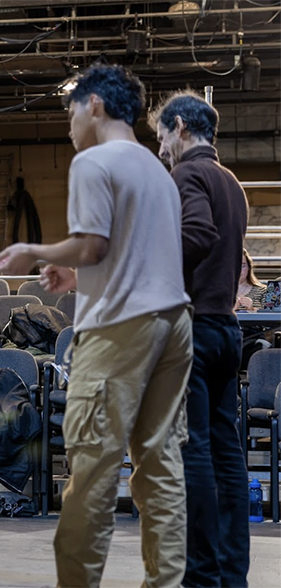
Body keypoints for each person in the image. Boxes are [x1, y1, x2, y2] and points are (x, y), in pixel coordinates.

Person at [0, 64, 192, 587]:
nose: (68, 123)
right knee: (160, 466)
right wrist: (79, 276)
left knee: (92, 471)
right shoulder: (159, 172)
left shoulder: (93, 162)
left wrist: (33, 251)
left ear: (96, 106)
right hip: (173, 325)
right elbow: (135, 263)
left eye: (71, 110)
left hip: (119, 333)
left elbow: (94, 244)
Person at [152, 90, 251, 588]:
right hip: (226, 330)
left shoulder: (187, 174)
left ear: (182, 128)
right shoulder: (232, 183)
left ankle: (201, 576)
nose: (161, 148)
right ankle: (232, 575)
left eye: (163, 136)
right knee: (227, 452)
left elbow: (198, 234)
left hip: (191, 330)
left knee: (192, 452)